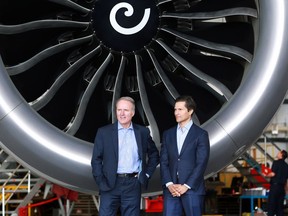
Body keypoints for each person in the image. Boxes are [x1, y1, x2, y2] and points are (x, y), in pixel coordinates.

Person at [91, 96, 159, 216]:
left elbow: (154, 154)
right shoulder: (104, 132)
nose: (122, 113)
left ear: (132, 113)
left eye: (126, 110)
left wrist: (146, 174)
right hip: (110, 184)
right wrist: (101, 181)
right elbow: (96, 159)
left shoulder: (143, 132)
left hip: (133, 184)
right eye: (119, 110)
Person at [160, 95, 210, 216]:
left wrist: (186, 186)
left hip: (192, 190)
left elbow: (201, 163)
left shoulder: (201, 134)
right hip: (171, 190)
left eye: (180, 109)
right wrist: (169, 184)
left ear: (190, 111)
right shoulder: (168, 134)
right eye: (175, 109)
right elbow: (164, 161)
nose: (176, 113)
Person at [264, 150, 288, 216]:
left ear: (281, 155)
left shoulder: (276, 162)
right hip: (282, 189)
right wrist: (286, 191)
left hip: (275, 188)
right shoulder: (286, 166)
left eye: (279, 152)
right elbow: (286, 180)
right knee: (280, 208)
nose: (278, 153)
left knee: (271, 207)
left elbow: (272, 174)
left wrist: (266, 175)